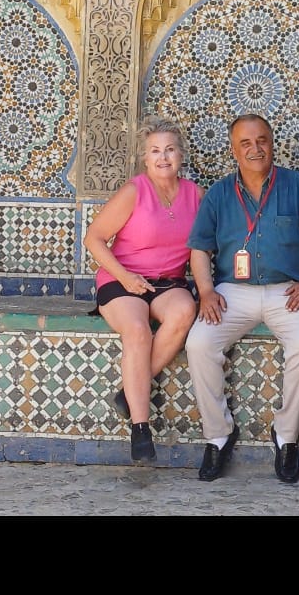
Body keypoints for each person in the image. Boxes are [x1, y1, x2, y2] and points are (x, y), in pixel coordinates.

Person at [185, 113, 299, 484]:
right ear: (233, 150)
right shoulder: (220, 194)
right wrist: (206, 291)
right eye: (246, 143)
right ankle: (218, 436)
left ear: (273, 143)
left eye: (262, 141)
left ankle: (286, 436)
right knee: (198, 344)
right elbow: (199, 249)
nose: (255, 149)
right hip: (231, 292)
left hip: (289, 292)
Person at [84, 115, 204, 465]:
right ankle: (140, 428)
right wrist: (124, 277)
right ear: (145, 158)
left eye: (169, 150)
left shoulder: (195, 194)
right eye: (155, 151)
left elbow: (200, 249)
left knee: (185, 312)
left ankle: (131, 390)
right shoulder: (134, 191)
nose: (163, 157)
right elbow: (93, 238)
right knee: (137, 331)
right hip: (121, 280)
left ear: (181, 155)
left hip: (167, 283)